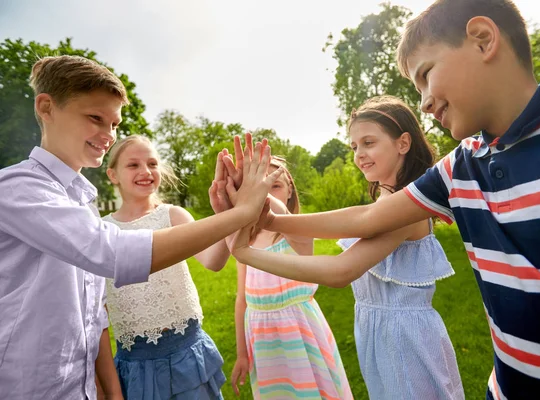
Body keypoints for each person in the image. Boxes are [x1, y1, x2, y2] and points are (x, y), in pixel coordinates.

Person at [249, 1, 540, 398]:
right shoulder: (460, 167)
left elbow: (347, 258)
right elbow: (365, 219)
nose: (425, 102)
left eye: (426, 75)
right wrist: (268, 221)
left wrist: (249, 249)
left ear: (483, 41)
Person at [0, 55, 279, 399]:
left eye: (114, 124)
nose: (108, 134)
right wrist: (239, 214)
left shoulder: (81, 203)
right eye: (95, 118)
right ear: (46, 107)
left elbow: (91, 318)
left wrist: (234, 210)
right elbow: (114, 253)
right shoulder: (18, 188)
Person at [228, 97, 464, 399]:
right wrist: (273, 221)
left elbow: (341, 270)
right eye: (354, 147)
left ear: (403, 143)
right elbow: (354, 219)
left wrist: (248, 253)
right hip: (380, 335)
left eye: (368, 142)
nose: (359, 154)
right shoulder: (386, 203)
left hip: (406, 340)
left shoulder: (405, 207)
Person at [100, 135, 232, 399]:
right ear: (113, 175)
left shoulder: (174, 216)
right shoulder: (102, 231)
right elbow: (97, 312)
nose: (146, 171)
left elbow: (214, 261)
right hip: (136, 363)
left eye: (152, 163)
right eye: (133, 165)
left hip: (187, 352)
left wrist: (229, 214)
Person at [230, 156, 353, 399]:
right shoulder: (245, 240)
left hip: (300, 331)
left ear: (289, 192)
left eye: (274, 184)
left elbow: (302, 243)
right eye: (260, 183)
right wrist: (242, 354)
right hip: (262, 336)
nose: (265, 189)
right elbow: (242, 299)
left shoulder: (297, 232)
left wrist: (260, 194)